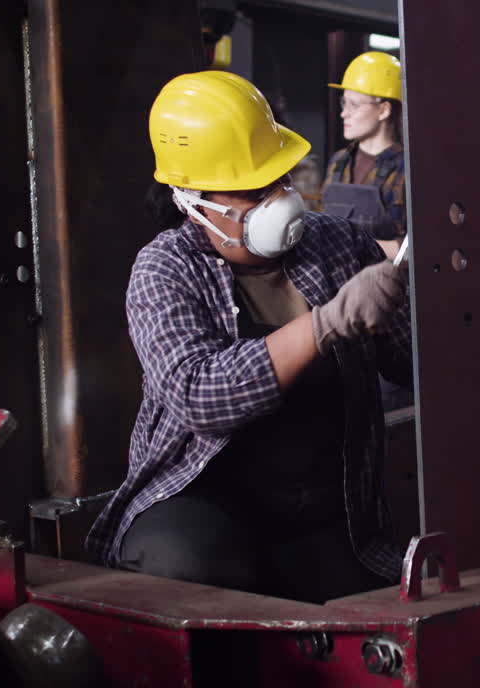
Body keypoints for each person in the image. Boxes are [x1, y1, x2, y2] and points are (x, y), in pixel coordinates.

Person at [85, 71, 412, 605]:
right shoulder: (165, 268)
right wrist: (325, 324)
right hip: (206, 501)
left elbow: (410, 363)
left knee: (374, 609)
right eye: (251, 189)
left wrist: (417, 288)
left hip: (327, 509)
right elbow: (200, 395)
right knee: (188, 565)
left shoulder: (337, 245)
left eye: (279, 180)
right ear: (192, 200)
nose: (278, 200)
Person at [323, 51, 406, 259]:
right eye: (344, 103)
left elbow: (413, 250)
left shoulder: (407, 169)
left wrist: (354, 245)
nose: (344, 113)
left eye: (355, 105)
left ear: (383, 110)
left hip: (382, 285)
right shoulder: (338, 162)